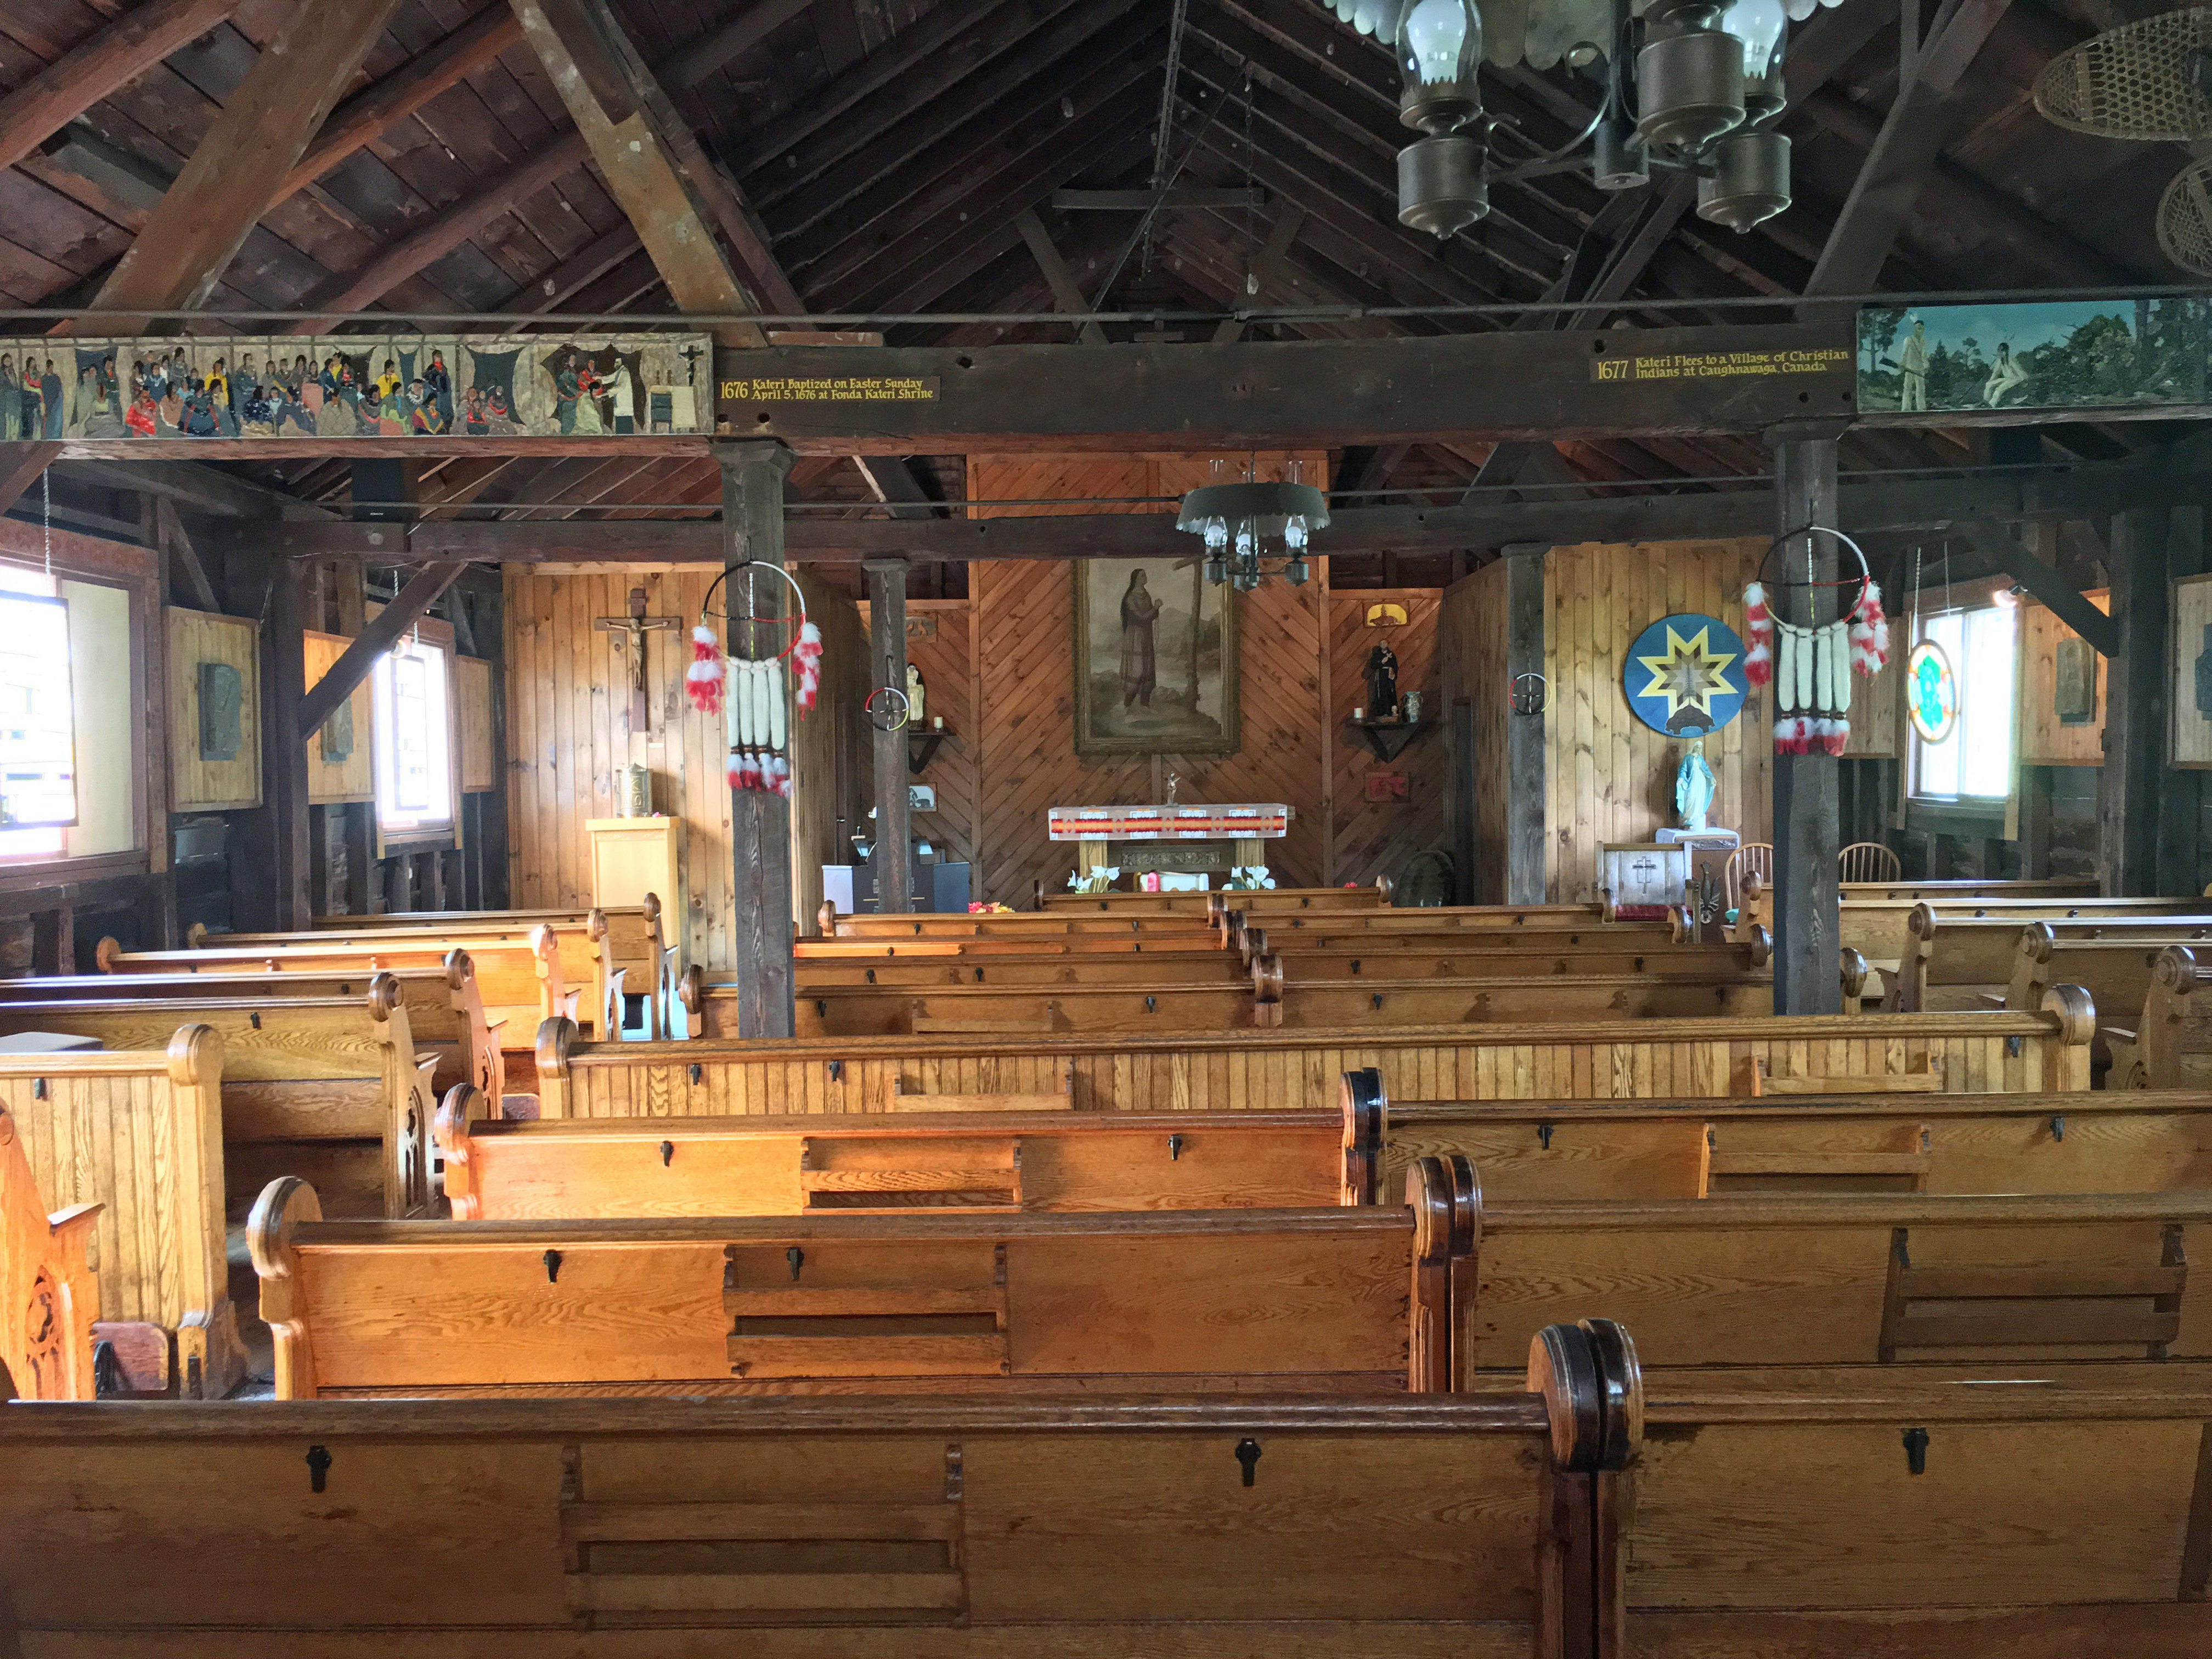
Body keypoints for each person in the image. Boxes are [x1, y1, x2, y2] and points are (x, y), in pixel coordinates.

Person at [1118, 568, 1161, 711]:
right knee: (1138, 669)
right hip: (1135, 636)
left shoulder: (1146, 596)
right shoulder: (1130, 598)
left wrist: (1156, 610)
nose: (1146, 577)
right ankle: (1127, 705)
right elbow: (1141, 618)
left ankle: (1145, 704)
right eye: (1143, 575)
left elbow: (1151, 616)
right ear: (1136, 579)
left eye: (1145, 574)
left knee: (1148, 667)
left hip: (1146, 636)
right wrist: (1155, 608)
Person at [1675, 738, 1717, 833]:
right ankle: (1689, 819)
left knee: (1699, 799)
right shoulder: (1688, 758)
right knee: (1691, 796)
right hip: (1692, 780)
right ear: (1694, 747)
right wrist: (1682, 778)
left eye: (1700, 747)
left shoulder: (1700, 759)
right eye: (1697, 747)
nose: (1698, 749)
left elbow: (1706, 769)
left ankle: (1697, 818)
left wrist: (1712, 778)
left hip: (1701, 780)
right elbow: (1684, 769)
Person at [1897, 318, 1928, 412]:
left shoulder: (1923, 341)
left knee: (1921, 389)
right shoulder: (1909, 340)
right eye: (1918, 327)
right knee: (1907, 388)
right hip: (1909, 368)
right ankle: (1906, 408)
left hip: (1920, 368)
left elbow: (1924, 355)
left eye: (1921, 328)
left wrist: (1926, 366)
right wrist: (1902, 364)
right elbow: (1904, 353)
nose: (1920, 329)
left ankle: (1921, 408)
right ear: (1915, 328)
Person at [1983, 341, 2027, 408]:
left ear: (2007, 351)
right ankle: (1986, 402)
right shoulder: (2000, 361)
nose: (2002, 353)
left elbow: (2019, 371)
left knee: (1999, 389)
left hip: (2016, 379)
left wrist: (2024, 380)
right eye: (2000, 351)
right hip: (2007, 379)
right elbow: (1996, 373)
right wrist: (1990, 381)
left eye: (2003, 351)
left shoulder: (2011, 359)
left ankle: (1992, 404)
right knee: (1989, 384)